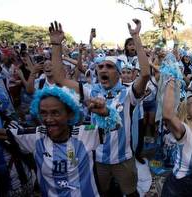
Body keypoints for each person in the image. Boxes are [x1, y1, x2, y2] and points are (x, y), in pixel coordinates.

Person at [48, 20, 150, 197]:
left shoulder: (128, 94)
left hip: (124, 158)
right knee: (103, 192)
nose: (103, 69)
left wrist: (136, 37)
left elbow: (146, 74)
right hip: (97, 157)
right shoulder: (90, 93)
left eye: (109, 66)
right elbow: (59, 78)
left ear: (118, 74)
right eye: (100, 66)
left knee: (131, 192)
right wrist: (56, 45)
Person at [0, 85, 118, 197]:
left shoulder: (85, 133)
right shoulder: (36, 136)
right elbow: (4, 134)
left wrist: (106, 112)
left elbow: (116, 125)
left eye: (55, 113)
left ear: (69, 114)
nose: (48, 119)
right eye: (43, 113)